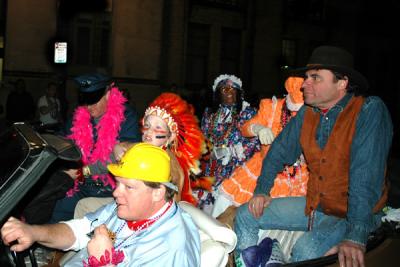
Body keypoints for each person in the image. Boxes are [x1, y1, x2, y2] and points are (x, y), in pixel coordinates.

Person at [234, 46, 393, 267]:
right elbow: (277, 153)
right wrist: (262, 191)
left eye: (315, 78)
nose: (304, 83)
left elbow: (365, 178)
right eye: (306, 77)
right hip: (317, 206)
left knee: (305, 251)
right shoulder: (308, 113)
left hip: (353, 214)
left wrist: (356, 235)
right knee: (245, 214)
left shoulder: (368, 110)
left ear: (342, 83)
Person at [1, 143, 201, 266]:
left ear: (158, 192)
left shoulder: (173, 250)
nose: (115, 192)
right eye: (117, 183)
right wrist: (34, 233)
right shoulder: (128, 210)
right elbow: (80, 230)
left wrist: (103, 261)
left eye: (128, 187)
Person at [22, 73, 141, 224]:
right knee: (52, 208)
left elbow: (125, 156)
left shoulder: (126, 116)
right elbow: (63, 140)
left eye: (94, 100)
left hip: (108, 187)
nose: (89, 106)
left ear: (108, 93)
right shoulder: (78, 116)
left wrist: (83, 170)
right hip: (80, 184)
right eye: (85, 100)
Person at [73, 92, 205, 218]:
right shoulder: (140, 149)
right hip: (126, 201)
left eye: (157, 128)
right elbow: (110, 161)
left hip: (147, 216)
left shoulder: (171, 166)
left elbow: (171, 211)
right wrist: (84, 170)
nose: (148, 132)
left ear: (171, 137)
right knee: (83, 205)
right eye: (147, 126)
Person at [213, 76, 309, 220]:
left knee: (272, 219)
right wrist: (257, 128)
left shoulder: (314, 114)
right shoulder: (272, 107)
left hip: (297, 176)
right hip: (262, 168)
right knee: (225, 202)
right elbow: (245, 128)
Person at [196, 74, 260, 214]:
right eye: (224, 89)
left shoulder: (247, 113)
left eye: (233, 89)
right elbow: (203, 138)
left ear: (239, 93)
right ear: (217, 94)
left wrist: (230, 151)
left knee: (224, 208)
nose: (229, 92)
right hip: (212, 167)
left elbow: (254, 142)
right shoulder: (210, 115)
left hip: (236, 169)